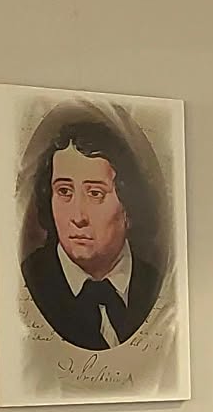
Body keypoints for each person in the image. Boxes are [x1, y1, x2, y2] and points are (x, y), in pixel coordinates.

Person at [20, 113, 162, 351]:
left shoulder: (157, 286)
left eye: (95, 194)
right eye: (64, 192)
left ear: (129, 205)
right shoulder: (30, 282)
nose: (78, 217)